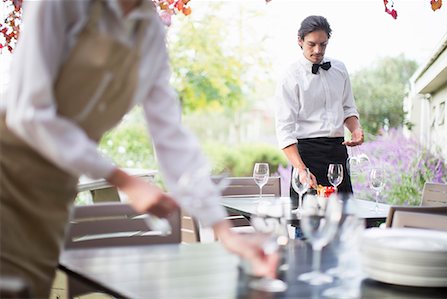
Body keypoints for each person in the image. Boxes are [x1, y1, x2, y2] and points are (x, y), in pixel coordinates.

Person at [0, 1, 276, 297]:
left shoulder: (150, 31)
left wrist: (223, 231)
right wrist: (123, 179)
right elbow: (29, 113)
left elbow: (171, 136)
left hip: (55, 192)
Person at [274, 16, 364, 235]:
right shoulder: (290, 76)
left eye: (323, 44)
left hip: (337, 154)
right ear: (300, 41)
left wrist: (356, 129)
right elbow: (284, 129)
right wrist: (301, 169)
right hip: (306, 156)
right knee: (307, 228)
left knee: (344, 227)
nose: (317, 50)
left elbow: (348, 109)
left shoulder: (340, 69)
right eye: (311, 44)